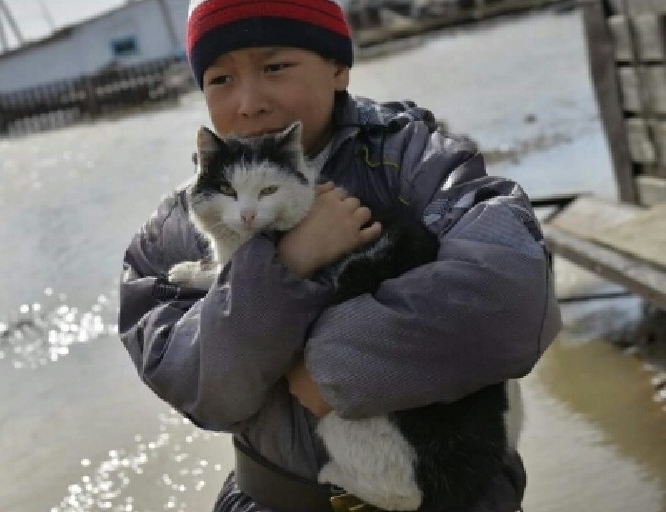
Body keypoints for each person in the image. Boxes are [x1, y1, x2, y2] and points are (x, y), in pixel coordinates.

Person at [117, 0, 562, 510]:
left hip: (457, 492)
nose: (249, 102)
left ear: (337, 66)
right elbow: (200, 387)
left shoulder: (415, 160)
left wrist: (333, 365)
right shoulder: (177, 228)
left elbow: (512, 294)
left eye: (275, 67)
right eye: (220, 79)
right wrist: (284, 267)